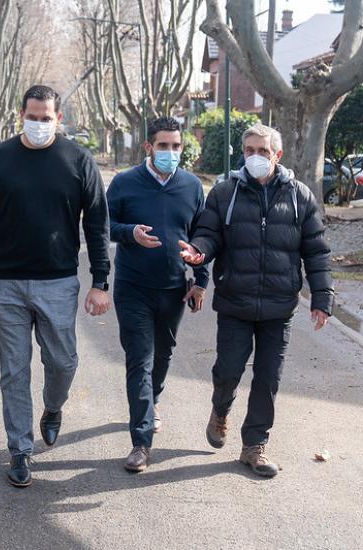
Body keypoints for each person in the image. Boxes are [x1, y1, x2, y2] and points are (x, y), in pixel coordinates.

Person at [0, 84, 111, 488]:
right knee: (14, 370)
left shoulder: (78, 160)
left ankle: (52, 408)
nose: (39, 124)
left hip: (59, 282)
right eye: (33, 117)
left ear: (58, 119)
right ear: (21, 116)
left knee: (63, 362)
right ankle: (20, 449)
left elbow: (97, 224)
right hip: (7, 284)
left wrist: (100, 281)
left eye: (46, 118)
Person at [179, 123, 333, 477]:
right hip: (235, 302)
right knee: (228, 371)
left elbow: (317, 251)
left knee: (268, 377)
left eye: (263, 152)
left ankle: (254, 446)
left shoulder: (299, 196)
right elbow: (207, 234)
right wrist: (198, 253)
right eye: (249, 151)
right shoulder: (224, 193)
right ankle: (220, 410)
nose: (255, 157)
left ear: (277, 155)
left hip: (280, 306)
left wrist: (321, 298)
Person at [106, 117, 209, 472]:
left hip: (174, 289)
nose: (170, 152)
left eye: (176, 146)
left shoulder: (192, 186)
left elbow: (203, 238)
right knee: (140, 359)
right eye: (163, 146)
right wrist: (130, 233)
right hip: (133, 287)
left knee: (163, 355)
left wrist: (201, 280)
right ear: (148, 147)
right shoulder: (124, 183)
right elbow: (103, 225)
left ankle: (152, 403)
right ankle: (141, 441)